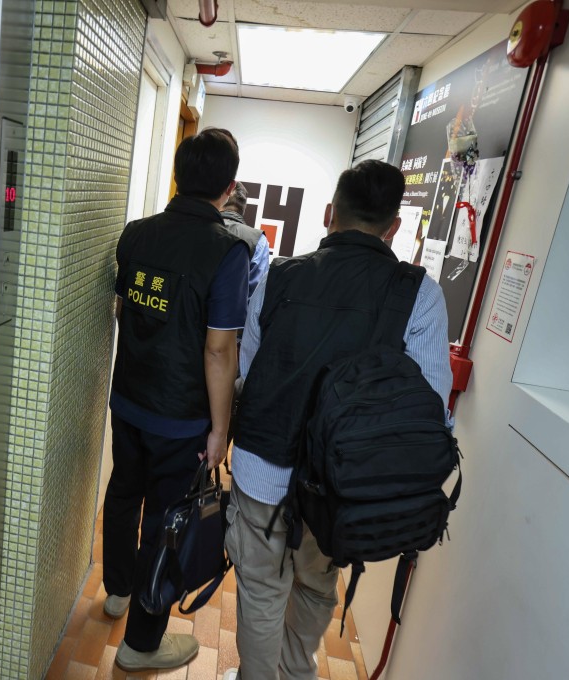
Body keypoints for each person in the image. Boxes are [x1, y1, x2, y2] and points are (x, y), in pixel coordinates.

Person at [223, 160, 453, 680]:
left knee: (261, 590)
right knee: (314, 585)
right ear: (393, 227)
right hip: (338, 490)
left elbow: (247, 367)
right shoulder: (418, 292)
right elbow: (431, 406)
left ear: (330, 214)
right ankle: (296, 670)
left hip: (264, 472)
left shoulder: (280, 275)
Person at [104, 128, 250, 672]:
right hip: (181, 416)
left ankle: (117, 591)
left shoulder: (136, 234)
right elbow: (219, 349)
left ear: (178, 174)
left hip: (130, 399)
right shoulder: (228, 250)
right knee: (166, 520)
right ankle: (140, 644)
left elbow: (125, 309)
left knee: (123, 491)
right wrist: (219, 429)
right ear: (228, 186)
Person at [220, 181, 269, 299]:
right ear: (243, 209)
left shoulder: (202, 228)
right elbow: (256, 294)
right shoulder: (259, 241)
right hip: (233, 315)